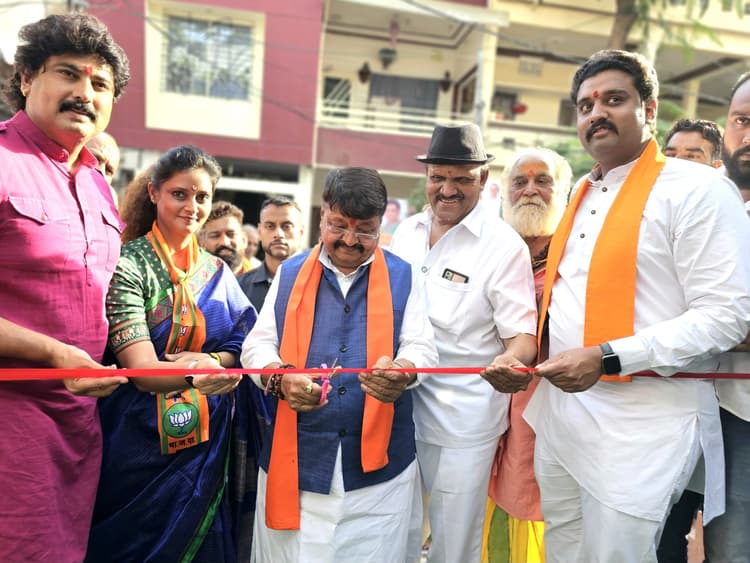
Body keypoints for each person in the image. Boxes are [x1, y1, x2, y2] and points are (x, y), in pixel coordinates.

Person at [518, 49, 750, 562]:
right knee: (563, 552)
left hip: (640, 430)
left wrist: (607, 357)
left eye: (613, 100)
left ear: (649, 109)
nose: (596, 113)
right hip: (563, 419)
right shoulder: (582, 190)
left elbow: (725, 316)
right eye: (585, 105)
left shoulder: (698, 190)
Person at [241, 166, 438, 561]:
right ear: (322, 217)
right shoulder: (290, 273)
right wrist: (281, 379)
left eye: (364, 230)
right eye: (339, 226)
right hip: (298, 464)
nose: (349, 240)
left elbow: (422, 346)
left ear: (380, 225)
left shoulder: (404, 275)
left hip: (380, 479)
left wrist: (402, 371)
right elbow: (257, 346)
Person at [86, 145, 257, 562]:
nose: (192, 206)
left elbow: (245, 344)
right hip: (138, 444)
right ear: (153, 193)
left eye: (202, 196)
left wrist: (214, 362)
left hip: (206, 446)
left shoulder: (218, 272)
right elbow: (143, 371)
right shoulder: (128, 265)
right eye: (179, 194)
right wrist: (202, 372)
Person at [0, 13, 130, 562]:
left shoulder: (98, 184)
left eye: (100, 84)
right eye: (69, 74)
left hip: (79, 434)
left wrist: (169, 360)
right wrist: (54, 354)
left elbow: (100, 304)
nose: (85, 93)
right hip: (11, 430)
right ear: (27, 77)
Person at [390, 123, 538, 563]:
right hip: (398, 408)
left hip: (463, 421)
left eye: (461, 179)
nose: (447, 189)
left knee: (453, 544)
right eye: (438, 177)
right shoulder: (407, 232)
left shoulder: (503, 246)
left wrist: (511, 361)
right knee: (395, 530)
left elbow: (522, 336)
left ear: (483, 179)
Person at [483, 147, 571, 563]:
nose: (530, 190)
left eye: (543, 180)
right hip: (481, 402)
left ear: (563, 191)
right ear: (505, 193)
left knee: (535, 498)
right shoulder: (488, 249)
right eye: (520, 182)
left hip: (548, 405)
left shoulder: (577, 255)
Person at [657, 117, 724, 562]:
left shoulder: (729, 224)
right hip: (650, 406)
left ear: (717, 166)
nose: (678, 164)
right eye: (671, 155)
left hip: (720, 408)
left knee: (709, 534)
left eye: (692, 155)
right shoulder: (647, 220)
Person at [703, 70, 750, 562]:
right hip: (678, 405)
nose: (749, 135)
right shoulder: (698, 198)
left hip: (743, 414)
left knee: (732, 549)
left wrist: (707, 327)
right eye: (741, 120)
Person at [238, 196, 305, 311]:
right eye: (270, 226)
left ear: (301, 231)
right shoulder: (239, 288)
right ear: (259, 231)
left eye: (287, 226)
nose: (278, 234)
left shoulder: (320, 285)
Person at [201, 200, 255, 275]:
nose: (224, 242)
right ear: (202, 243)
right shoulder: (189, 279)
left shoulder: (261, 281)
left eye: (231, 234)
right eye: (215, 236)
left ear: (244, 240)